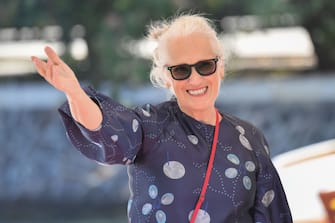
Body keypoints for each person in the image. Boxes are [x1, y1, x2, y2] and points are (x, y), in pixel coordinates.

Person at [31, 13, 293, 223]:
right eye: (180, 70)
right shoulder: (149, 126)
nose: (195, 79)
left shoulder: (250, 139)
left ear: (220, 66)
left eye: (205, 65)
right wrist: (75, 93)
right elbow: (104, 127)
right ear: (166, 77)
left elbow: (272, 213)